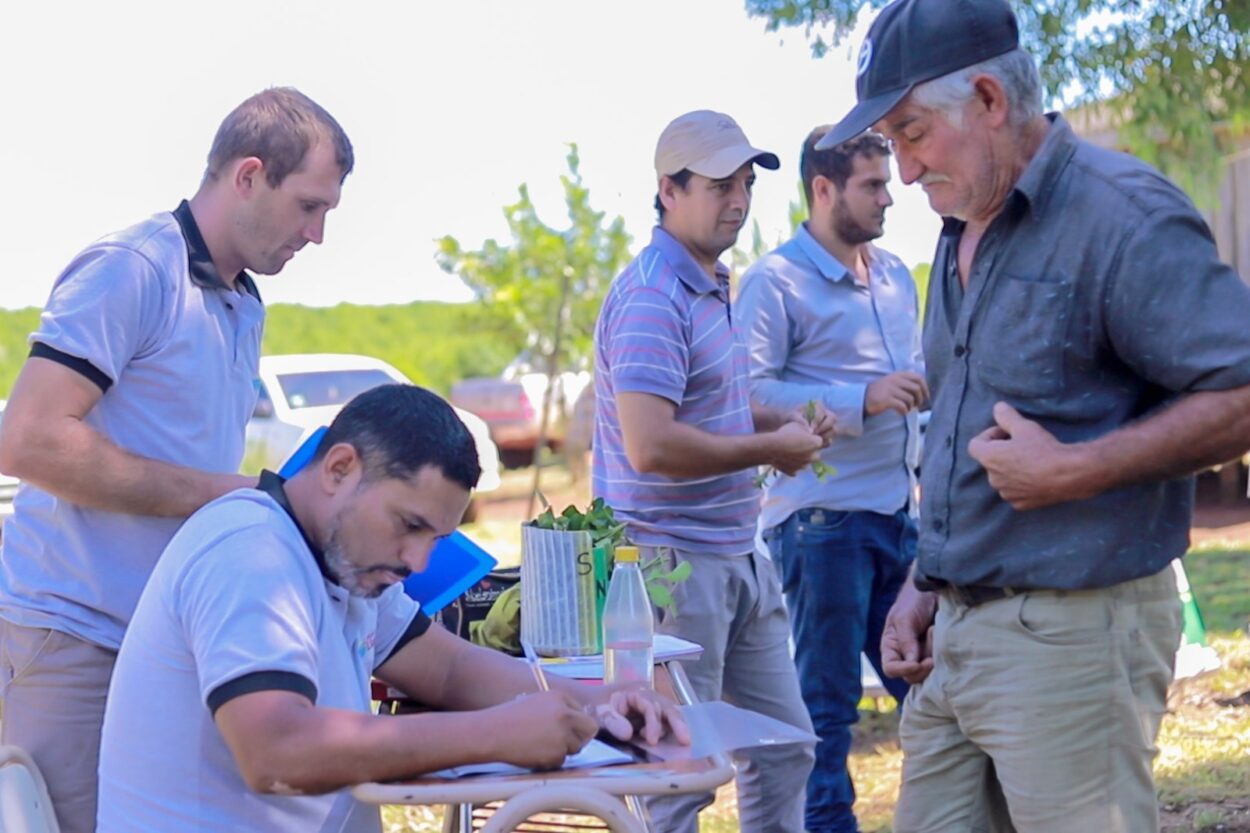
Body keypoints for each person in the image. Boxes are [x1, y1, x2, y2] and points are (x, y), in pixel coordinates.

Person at [817, 0, 1250, 830]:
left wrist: (1077, 469)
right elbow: (955, 433)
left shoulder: (1121, 216)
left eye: (911, 133)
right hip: (953, 642)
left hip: (1075, 637)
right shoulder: (956, 226)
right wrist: (924, 580)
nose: (904, 171)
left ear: (988, 98)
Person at [96, 383, 687, 832]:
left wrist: (600, 702)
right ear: (339, 469)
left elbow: (450, 668)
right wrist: (495, 734)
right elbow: (275, 752)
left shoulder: (341, 558)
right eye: (408, 526)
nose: (418, 561)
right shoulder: (251, 551)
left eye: (434, 537)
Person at [0, 87, 353, 833]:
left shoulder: (243, 300)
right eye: (309, 206)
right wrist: (230, 495)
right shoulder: (132, 267)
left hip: (169, 639)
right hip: (74, 636)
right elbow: (27, 438)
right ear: (249, 174)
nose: (318, 235)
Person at [591, 109, 835, 833]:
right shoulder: (651, 297)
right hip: (668, 563)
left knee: (786, 748)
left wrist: (780, 425)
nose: (737, 200)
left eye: (745, 185)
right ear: (668, 189)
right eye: (719, 185)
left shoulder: (708, 281)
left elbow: (716, 404)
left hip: (735, 550)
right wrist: (772, 450)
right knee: (678, 777)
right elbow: (652, 445)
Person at [736, 126, 924, 833]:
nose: (889, 196)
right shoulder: (773, 281)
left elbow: (913, 368)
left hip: (899, 518)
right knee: (828, 711)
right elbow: (748, 395)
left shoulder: (898, 275)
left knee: (932, 694)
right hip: (820, 524)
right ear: (823, 189)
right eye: (873, 185)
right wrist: (859, 400)